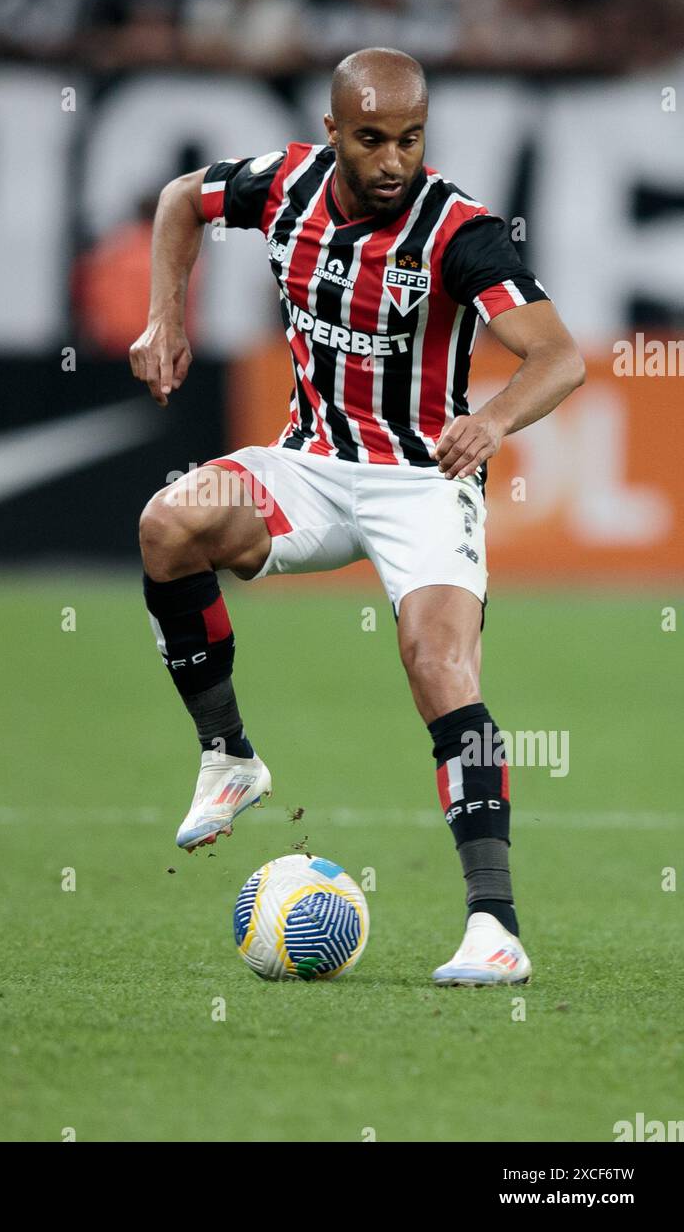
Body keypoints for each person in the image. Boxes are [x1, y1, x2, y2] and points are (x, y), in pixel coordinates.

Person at [129, 48, 585, 985]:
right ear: (332, 132)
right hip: (311, 466)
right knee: (167, 526)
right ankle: (229, 758)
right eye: (371, 139)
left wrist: (489, 421)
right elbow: (181, 198)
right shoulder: (286, 184)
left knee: (439, 665)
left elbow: (558, 357)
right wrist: (165, 316)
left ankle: (493, 930)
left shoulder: (459, 231)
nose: (392, 161)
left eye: (410, 140)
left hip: (423, 479)